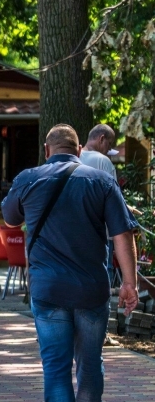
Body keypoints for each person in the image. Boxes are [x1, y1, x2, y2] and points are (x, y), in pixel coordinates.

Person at [1, 123, 139, 402]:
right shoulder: (102, 181)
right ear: (79, 151)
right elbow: (123, 234)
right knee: (90, 363)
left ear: (47, 150)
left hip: (47, 289)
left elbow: (9, 218)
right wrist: (130, 283)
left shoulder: (28, 178)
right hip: (91, 288)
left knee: (55, 366)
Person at [80, 123, 121, 347]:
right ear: (102, 139)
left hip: (75, 235)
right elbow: (113, 200)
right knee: (101, 283)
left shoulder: (72, 157)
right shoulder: (102, 162)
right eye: (110, 145)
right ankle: (99, 334)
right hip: (101, 235)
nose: (109, 151)